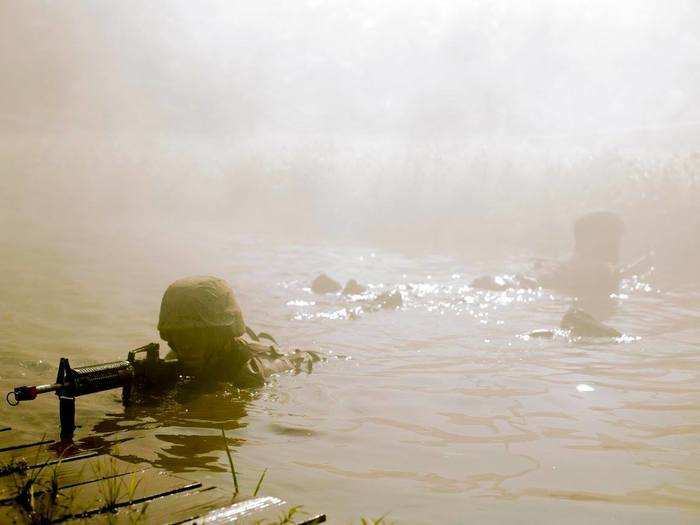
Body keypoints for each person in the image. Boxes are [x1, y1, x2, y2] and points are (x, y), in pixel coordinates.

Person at [157, 276, 319, 387]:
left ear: (221, 334)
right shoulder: (177, 357)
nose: (187, 345)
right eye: (180, 335)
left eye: (198, 335)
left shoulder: (249, 373)